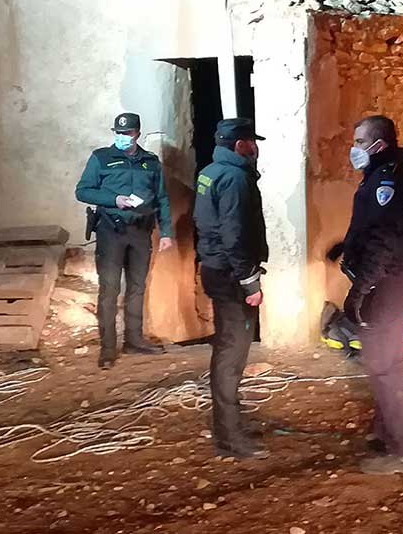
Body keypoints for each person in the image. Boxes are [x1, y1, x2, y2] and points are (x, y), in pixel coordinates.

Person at [326, 115, 403, 474]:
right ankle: (386, 432)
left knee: (383, 365)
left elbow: (383, 242)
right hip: (393, 278)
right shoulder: (389, 175)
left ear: (378, 144)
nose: (354, 149)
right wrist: (346, 247)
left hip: (385, 282)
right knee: (388, 360)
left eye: (359, 141)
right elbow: (379, 229)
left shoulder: (386, 182)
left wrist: (359, 290)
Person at [192, 117, 270, 459]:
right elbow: (234, 233)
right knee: (231, 355)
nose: (255, 148)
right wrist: (249, 280)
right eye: (252, 142)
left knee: (228, 350)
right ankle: (230, 437)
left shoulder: (210, 171)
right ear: (240, 145)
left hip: (214, 268)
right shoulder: (236, 178)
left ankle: (230, 427)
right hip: (230, 274)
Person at [75, 112, 175, 369]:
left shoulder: (150, 162)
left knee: (137, 287)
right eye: (118, 133)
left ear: (137, 134)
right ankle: (108, 349)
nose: (122, 137)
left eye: (127, 133)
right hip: (111, 231)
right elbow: (82, 191)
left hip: (141, 231)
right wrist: (114, 200)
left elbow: (162, 198)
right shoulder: (101, 158)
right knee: (109, 290)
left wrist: (166, 232)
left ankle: (134, 340)